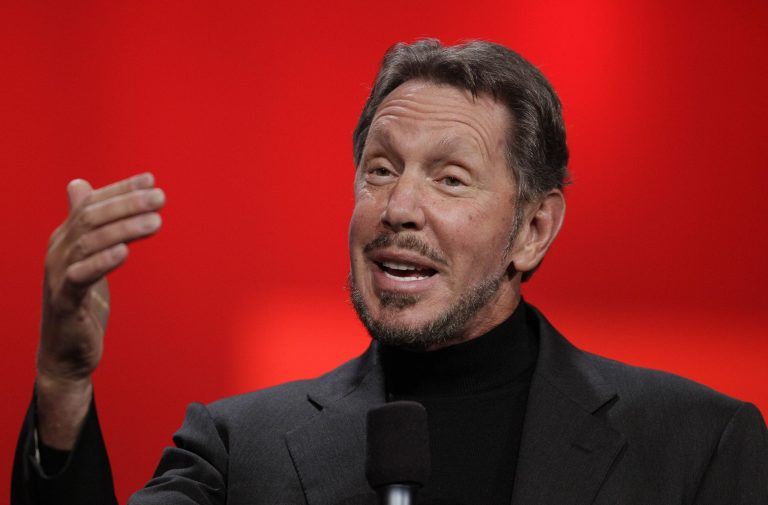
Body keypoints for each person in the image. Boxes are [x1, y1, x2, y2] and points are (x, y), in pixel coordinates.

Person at [12, 39, 768, 505]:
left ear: (533, 229)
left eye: (448, 178)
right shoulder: (239, 448)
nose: (398, 206)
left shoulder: (698, 443)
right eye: (380, 170)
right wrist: (64, 382)